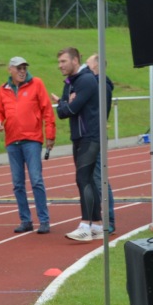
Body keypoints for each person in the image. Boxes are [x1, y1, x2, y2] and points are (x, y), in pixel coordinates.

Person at [0, 56, 56, 235]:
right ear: (10, 70)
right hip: (12, 141)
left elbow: (47, 110)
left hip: (32, 139)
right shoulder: (3, 89)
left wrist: (50, 134)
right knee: (18, 183)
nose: (22, 71)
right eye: (18, 68)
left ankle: (44, 220)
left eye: (24, 68)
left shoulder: (37, 84)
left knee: (36, 180)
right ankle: (25, 220)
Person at [53, 47, 103, 242]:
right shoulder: (71, 82)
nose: (60, 66)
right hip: (80, 136)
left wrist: (65, 104)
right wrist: (65, 103)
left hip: (89, 136)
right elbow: (63, 111)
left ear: (75, 61)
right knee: (88, 180)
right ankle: (97, 225)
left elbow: (70, 110)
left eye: (63, 61)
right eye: (59, 62)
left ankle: (85, 225)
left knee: (83, 179)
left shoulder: (86, 80)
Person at [86, 54, 116, 233]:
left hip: (96, 136)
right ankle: (96, 219)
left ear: (96, 66)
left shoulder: (102, 85)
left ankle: (109, 220)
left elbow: (98, 111)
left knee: (99, 179)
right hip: (90, 135)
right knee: (91, 179)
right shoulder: (95, 84)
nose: (84, 68)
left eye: (88, 65)